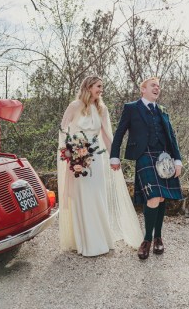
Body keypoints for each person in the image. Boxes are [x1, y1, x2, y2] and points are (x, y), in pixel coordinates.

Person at [58, 76, 142, 256]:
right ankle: (86, 243)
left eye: (102, 87)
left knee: (97, 196)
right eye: (98, 86)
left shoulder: (102, 109)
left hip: (95, 159)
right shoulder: (74, 106)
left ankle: (101, 239)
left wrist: (114, 157)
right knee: (83, 198)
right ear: (88, 87)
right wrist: (69, 150)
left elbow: (106, 136)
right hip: (77, 159)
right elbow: (63, 129)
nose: (101, 90)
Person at [110, 76, 183, 260]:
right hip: (144, 156)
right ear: (143, 89)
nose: (157, 88)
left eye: (159, 86)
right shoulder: (131, 108)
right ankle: (147, 240)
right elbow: (120, 133)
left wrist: (178, 160)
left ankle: (158, 236)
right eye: (153, 85)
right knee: (153, 196)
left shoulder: (162, 111)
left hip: (164, 156)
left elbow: (171, 137)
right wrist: (114, 156)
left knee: (161, 197)